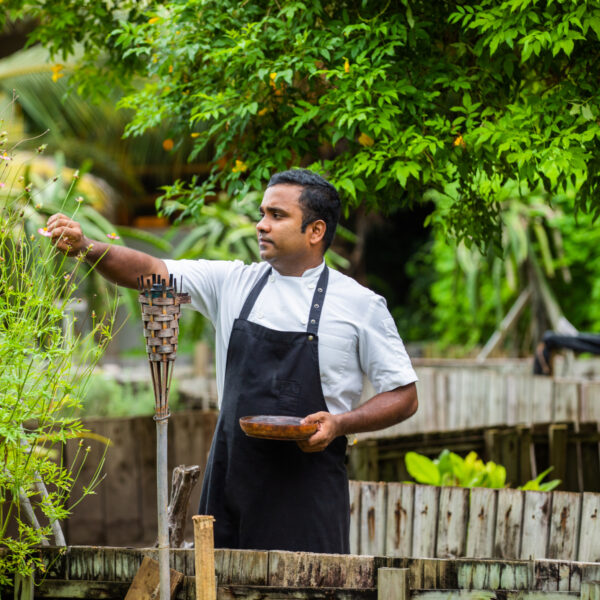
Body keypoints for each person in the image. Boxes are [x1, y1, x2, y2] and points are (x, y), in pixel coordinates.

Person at [46, 169, 418, 554]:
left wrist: (340, 423)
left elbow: (404, 396)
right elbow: (152, 272)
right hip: (231, 488)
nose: (261, 225)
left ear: (316, 231)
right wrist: (87, 247)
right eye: (262, 214)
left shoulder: (360, 305)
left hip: (308, 495)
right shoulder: (233, 283)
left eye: (277, 215)